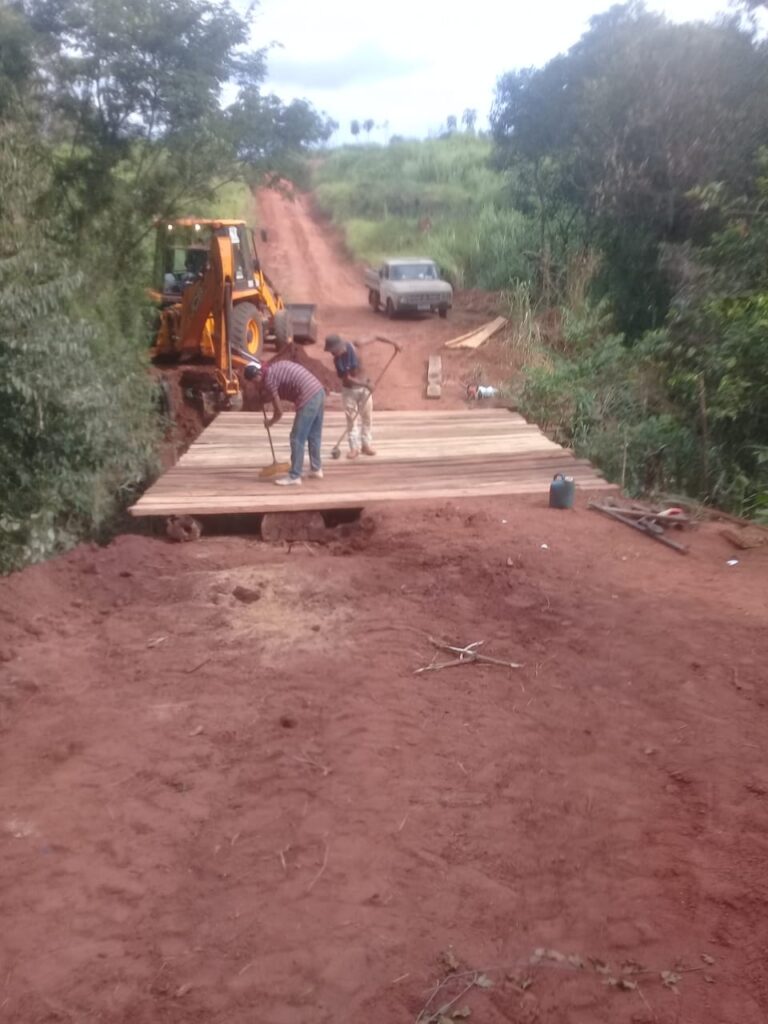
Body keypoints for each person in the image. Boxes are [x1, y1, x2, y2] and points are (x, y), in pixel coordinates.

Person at [243, 358, 325, 486]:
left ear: (258, 374)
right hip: (318, 391)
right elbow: (280, 388)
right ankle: (316, 469)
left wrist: (270, 422)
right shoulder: (272, 370)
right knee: (313, 435)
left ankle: (294, 476)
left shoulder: (269, 380)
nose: (255, 385)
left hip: (308, 397)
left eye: (254, 381)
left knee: (296, 437)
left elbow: (279, 412)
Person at [323, 333, 378, 458]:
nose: (331, 354)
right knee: (351, 419)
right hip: (350, 391)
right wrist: (365, 384)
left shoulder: (357, 345)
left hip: (364, 388)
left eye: (332, 351)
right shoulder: (337, 360)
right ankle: (354, 448)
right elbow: (347, 379)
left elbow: (376, 337)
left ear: (339, 347)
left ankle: (366, 445)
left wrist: (394, 344)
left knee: (367, 417)